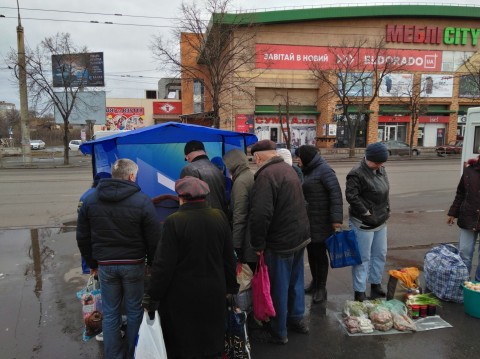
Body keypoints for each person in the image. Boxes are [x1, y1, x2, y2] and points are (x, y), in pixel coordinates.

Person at [146, 176, 239, 359]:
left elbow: (163, 265)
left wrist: (152, 297)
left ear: (181, 197)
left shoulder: (174, 221)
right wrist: (231, 288)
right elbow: (229, 258)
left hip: (181, 296)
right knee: (212, 341)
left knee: (184, 344)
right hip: (214, 291)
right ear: (204, 196)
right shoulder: (219, 217)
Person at [76, 159, 160, 359]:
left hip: (105, 265)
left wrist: (92, 263)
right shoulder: (142, 200)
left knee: (111, 312)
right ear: (132, 176)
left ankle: (113, 356)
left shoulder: (91, 199)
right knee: (134, 311)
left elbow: (82, 236)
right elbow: (154, 237)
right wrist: (151, 263)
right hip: (134, 264)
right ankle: (133, 353)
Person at [248, 139, 311, 345]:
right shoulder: (289, 169)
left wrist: (257, 245)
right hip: (299, 237)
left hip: (280, 242)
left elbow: (260, 215)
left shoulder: (266, 176)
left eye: (253, 158)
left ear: (258, 157)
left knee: (279, 287)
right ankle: (296, 319)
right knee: (295, 282)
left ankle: (279, 331)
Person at [295, 145, 343, 303]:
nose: (297, 160)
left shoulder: (325, 170)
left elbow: (335, 195)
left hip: (322, 221)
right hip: (308, 220)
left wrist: (336, 220)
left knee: (320, 256)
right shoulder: (307, 169)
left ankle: (321, 288)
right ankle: (314, 283)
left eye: (299, 157)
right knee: (312, 253)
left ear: (307, 157)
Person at [345, 142, 390, 302]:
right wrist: (366, 212)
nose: (380, 165)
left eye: (382, 163)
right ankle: (359, 290)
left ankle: (375, 283)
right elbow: (352, 196)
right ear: (368, 159)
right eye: (377, 162)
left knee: (380, 254)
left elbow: (385, 191)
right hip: (363, 222)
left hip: (380, 220)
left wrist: (387, 209)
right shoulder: (356, 173)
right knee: (363, 257)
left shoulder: (380, 169)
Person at [447, 154, 480, 281]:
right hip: (469, 217)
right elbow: (460, 193)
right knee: (464, 253)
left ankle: (477, 286)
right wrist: (452, 213)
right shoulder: (469, 170)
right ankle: (463, 282)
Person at [222, 149, 256, 271]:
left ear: (234, 164)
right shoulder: (249, 175)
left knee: (247, 278)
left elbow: (239, 215)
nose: (228, 169)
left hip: (246, 240)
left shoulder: (240, 182)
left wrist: (236, 245)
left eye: (228, 165)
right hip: (252, 236)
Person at [77, 171, 111, 275]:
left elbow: (80, 215)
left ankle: (90, 272)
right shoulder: (107, 194)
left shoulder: (85, 195)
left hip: (90, 238)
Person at [180, 140, 227, 213]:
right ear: (205, 153)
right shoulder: (217, 170)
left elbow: (185, 202)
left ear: (186, 157)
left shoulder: (188, 169)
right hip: (220, 219)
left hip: (200, 219)